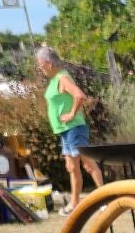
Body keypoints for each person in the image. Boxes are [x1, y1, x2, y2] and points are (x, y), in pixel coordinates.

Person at [36, 45, 103, 213]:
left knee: (88, 164)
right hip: (64, 131)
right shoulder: (54, 80)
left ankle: (104, 199)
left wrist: (72, 114)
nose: (40, 68)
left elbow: (79, 95)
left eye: (40, 64)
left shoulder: (62, 78)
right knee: (72, 167)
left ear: (49, 63)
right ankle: (74, 204)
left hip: (74, 128)